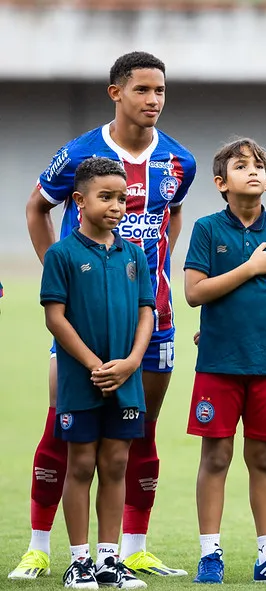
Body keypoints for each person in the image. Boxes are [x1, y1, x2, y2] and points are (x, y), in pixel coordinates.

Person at [12, 51, 195, 580]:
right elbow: (35, 207)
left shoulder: (179, 160)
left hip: (151, 319)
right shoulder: (79, 153)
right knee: (63, 429)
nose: (153, 100)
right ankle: (41, 545)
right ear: (116, 92)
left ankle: (130, 548)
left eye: (160, 91)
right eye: (142, 90)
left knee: (140, 431)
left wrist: (154, 270)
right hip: (84, 323)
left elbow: (173, 213)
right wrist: (63, 274)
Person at [183, 138, 266, 585]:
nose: (252, 171)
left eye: (259, 166)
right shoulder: (206, 229)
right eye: (241, 166)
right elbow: (194, 293)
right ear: (221, 182)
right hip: (218, 363)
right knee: (215, 457)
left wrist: (242, 319)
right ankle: (210, 554)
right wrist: (249, 269)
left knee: (264, 459)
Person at [40, 157, 153, 589]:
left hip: (127, 379)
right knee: (81, 464)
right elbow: (56, 318)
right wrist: (93, 364)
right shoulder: (62, 254)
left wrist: (130, 363)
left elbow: (147, 312)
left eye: (122, 197)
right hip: (81, 379)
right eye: (106, 197)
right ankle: (79, 561)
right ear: (79, 200)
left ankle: (110, 560)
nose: (117, 205)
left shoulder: (135, 254)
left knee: (117, 462)